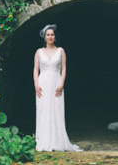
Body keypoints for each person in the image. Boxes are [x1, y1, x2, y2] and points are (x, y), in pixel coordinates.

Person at [33, 24, 82, 152]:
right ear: (44, 37)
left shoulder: (61, 51)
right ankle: (43, 140)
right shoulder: (39, 52)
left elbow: (64, 68)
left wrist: (61, 83)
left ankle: (57, 140)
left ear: (55, 37)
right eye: (48, 35)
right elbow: (35, 69)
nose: (50, 37)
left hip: (56, 81)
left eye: (52, 35)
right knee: (43, 110)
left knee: (56, 109)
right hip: (43, 82)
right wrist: (36, 84)